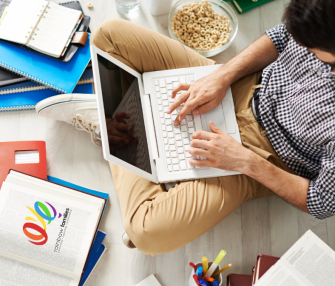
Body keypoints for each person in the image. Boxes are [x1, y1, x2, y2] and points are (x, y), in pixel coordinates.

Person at [37, 0, 335, 256]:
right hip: (243, 86)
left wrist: (241, 160)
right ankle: (127, 124)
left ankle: (114, 123)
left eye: (312, 49)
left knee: (145, 231)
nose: (303, 50)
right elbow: (282, 37)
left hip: (261, 156)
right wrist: (221, 76)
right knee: (108, 36)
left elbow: (320, 201)